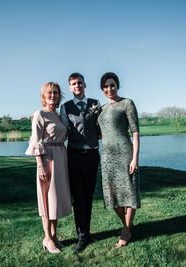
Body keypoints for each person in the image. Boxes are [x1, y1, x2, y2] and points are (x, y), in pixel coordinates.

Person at [25, 82, 72, 254]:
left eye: (56, 93)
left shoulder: (59, 116)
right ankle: (47, 239)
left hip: (61, 156)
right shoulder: (39, 114)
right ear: (44, 96)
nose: (53, 96)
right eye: (50, 93)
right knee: (46, 200)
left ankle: (54, 236)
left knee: (56, 200)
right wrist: (40, 165)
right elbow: (36, 140)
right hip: (47, 158)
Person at [97, 72, 140, 248]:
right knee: (112, 195)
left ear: (117, 85)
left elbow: (135, 132)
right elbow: (100, 133)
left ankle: (126, 231)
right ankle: (127, 226)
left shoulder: (127, 103)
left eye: (112, 85)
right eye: (106, 86)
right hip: (107, 156)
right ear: (102, 89)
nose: (109, 89)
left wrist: (135, 158)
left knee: (129, 192)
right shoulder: (101, 109)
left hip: (125, 153)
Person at [60, 73, 101, 253]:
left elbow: (100, 127)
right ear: (70, 87)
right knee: (78, 196)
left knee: (89, 195)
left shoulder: (95, 103)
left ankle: (88, 232)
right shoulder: (65, 107)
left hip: (92, 155)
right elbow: (62, 130)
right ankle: (82, 236)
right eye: (73, 84)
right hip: (74, 156)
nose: (77, 86)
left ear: (85, 84)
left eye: (79, 83)